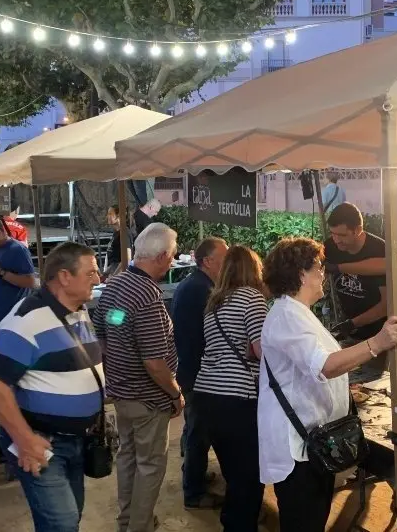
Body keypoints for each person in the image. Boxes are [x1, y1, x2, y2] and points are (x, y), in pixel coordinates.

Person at [258, 237, 397, 531]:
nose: (322, 273)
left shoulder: (297, 313)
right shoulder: (287, 314)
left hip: (312, 441)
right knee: (304, 522)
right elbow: (323, 365)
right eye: (318, 267)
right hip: (297, 448)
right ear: (301, 273)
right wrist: (376, 343)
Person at [0, 242, 104, 532]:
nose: (98, 279)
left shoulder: (76, 310)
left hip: (76, 440)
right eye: (91, 273)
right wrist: (24, 440)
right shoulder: (26, 320)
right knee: (61, 525)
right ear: (64, 276)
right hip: (43, 442)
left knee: (69, 518)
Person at [92, 223, 181, 532]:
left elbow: (104, 336)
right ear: (162, 256)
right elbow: (155, 362)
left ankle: (127, 519)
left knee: (128, 457)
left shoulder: (115, 286)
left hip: (122, 394)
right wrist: (174, 392)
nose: (173, 261)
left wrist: (120, 371)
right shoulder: (148, 297)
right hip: (148, 399)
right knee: (150, 464)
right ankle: (139, 526)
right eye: (172, 256)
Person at [192, 245, 267, 531]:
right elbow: (262, 350)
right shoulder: (252, 298)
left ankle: (233, 522)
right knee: (248, 476)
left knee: (234, 473)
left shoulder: (214, 301)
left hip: (207, 393)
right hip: (237, 397)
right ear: (253, 269)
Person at [169, 237, 228, 510]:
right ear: (207, 261)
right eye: (223, 258)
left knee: (194, 431)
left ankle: (194, 475)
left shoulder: (196, 284)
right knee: (198, 435)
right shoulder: (200, 290)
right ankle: (193, 491)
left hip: (192, 370)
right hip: (198, 373)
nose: (227, 263)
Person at [322, 203, 387, 345]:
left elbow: (387, 304)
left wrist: (351, 324)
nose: (336, 240)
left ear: (358, 230)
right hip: (347, 328)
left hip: (379, 333)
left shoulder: (380, 250)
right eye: (333, 233)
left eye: (342, 235)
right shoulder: (330, 247)